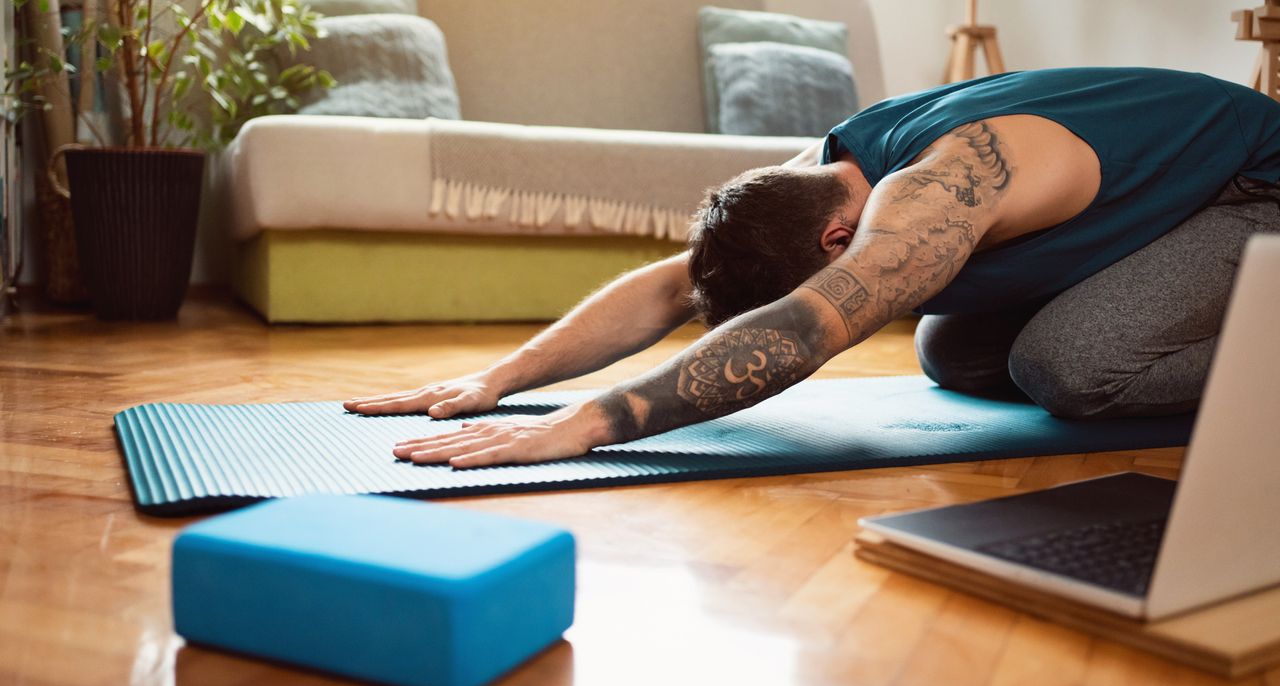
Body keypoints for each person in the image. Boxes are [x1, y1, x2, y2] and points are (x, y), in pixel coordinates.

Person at [344, 67, 1280, 468]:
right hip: (1152, 210)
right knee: (951, 357)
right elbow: (678, 283)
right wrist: (504, 379)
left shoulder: (929, 197)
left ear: (839, 245)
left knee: (1069, 369)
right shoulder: (818, 181)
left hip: (1249, 195)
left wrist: (592, 423)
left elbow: (811, 328)